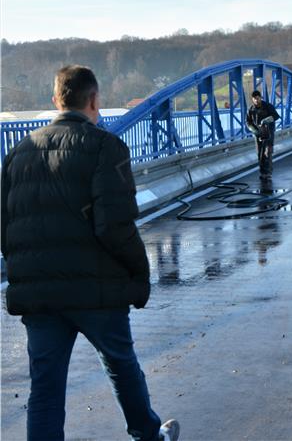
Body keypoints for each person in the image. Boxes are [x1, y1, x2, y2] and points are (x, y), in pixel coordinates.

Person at [0, 65, 180, 441]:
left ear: (56, 100)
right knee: (120, 365)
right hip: (97, 289)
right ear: (95, 100)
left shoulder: (18, 153)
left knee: (45, 390)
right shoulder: (104, 147)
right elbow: (115, 226)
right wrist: (139, 275)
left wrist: (22, 277)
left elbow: (6, 226)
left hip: (39, 294)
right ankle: (148, 435)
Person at [246, 89, 281, 179]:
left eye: (258, 98)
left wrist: (266, 120)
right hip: (258, 134)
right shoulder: (251, 109)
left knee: (267, 152)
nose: (256, 100)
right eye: (254, 99)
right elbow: (248, 123)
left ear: (260, 98)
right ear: (252, 99)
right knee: (260, 153)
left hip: (268, 133)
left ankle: (268, 172)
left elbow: (276, 116)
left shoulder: (268, 106)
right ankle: (262, 172)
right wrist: (254, 131)